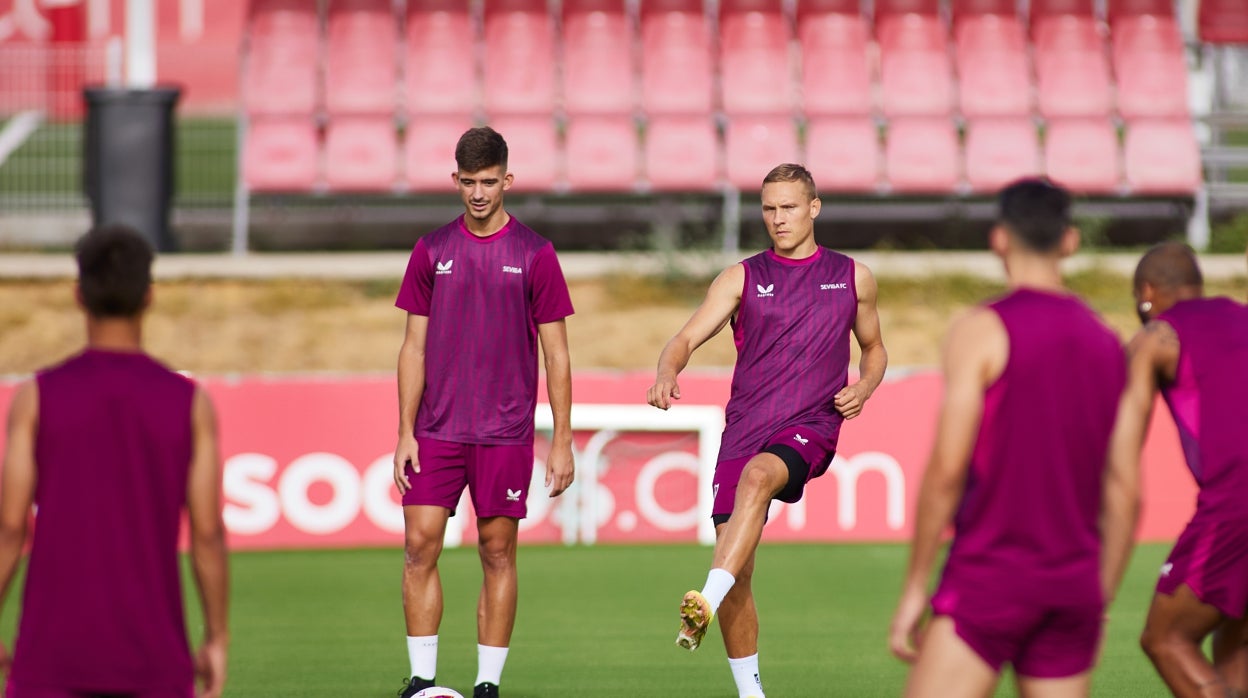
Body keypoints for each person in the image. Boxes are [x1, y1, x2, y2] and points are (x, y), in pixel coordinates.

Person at [647, 163, 887, 698]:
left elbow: (873, 349)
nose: (778, 219)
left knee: (757, 479)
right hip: (745, 427)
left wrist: (865, 386)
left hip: (811, 425)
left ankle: (702, 600)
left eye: (789, 208)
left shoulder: (853, 277)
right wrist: (667, 370)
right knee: (740, 573)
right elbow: (684, 339)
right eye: (769, 209)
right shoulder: (742, 277)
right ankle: (751, 692)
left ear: (814, 208)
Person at [888, 179, 1128, 698]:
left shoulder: (982, 329)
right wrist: (1095, 595)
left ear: (999, 239)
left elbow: (948, 470)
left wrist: (915, 588)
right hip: (1073, 584)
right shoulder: (1108, 341)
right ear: (1070, 241)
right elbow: (1124, 489)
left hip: (991, 576)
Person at [0, 225, 229, 698]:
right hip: (155, 659)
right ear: (149, 296)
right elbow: (207, 533)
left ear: (78, 295)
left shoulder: (36, 399)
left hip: (50, 656)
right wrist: (216, 637)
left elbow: (9, 528)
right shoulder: (189, 402)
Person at [392, 126, 575, 698]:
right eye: (468, 182)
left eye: (488, 182)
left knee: (496, 551)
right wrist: (404, 431)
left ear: (507, 181)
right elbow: (412, 347)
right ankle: (423, 682)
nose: (478, 192)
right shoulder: (431, 250)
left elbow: (557, 354)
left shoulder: (536, 254)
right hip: (437, 429)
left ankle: (487, 686)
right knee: (420, 544)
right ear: (455, 180)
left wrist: (563, 439)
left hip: (504, 433)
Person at [1113, 242, 1248, 698]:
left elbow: (1119, 462)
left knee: (1166, 638)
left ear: (1146, 292)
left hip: (1237, 505)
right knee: (1235, 643)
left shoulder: (1156, 337)